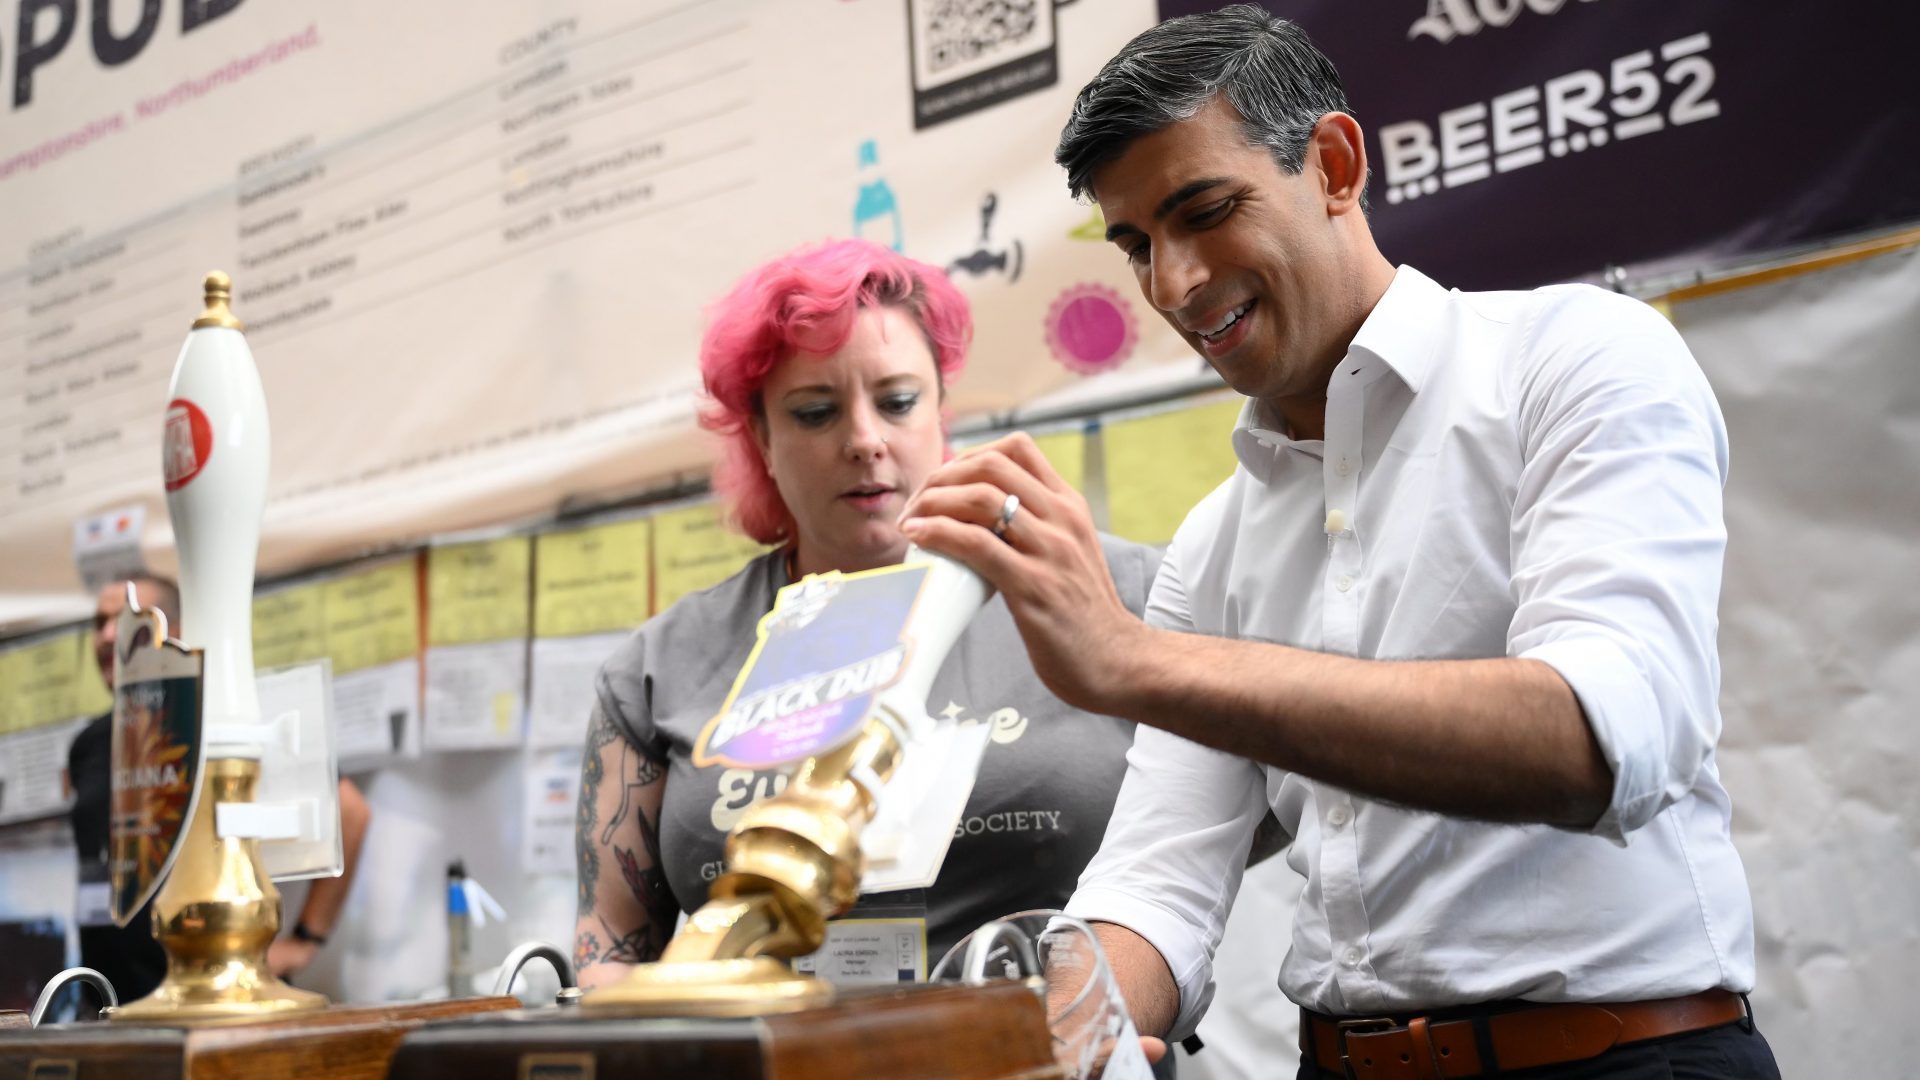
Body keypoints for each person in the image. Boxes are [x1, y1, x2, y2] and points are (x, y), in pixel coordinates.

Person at [898, 7, 1779, 1078]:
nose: (1171, 285)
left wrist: (1130, 658)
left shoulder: (1579, 362)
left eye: (1205, 210)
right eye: (1136, 244)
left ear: (1333, 164)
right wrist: (1021, 1039)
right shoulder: (1216, 541)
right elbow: (1158, 882)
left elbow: (1596, 739)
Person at [572, 239, 1161, 987]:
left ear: (942, 410)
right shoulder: (658, 670)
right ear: (760, 437)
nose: (863, 440)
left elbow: (1214, 852)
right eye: (815, 413)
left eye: (898, 402)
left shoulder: (1115, 587)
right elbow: (613, 951)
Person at [68, 574, 372, 997]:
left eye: (119, 619)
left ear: (173, 630)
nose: (104, 636)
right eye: (97, 623)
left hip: (215, 995)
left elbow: (350, 811)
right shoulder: (90, 744)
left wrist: (306, 940)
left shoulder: (217, 719)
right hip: (109, 997)